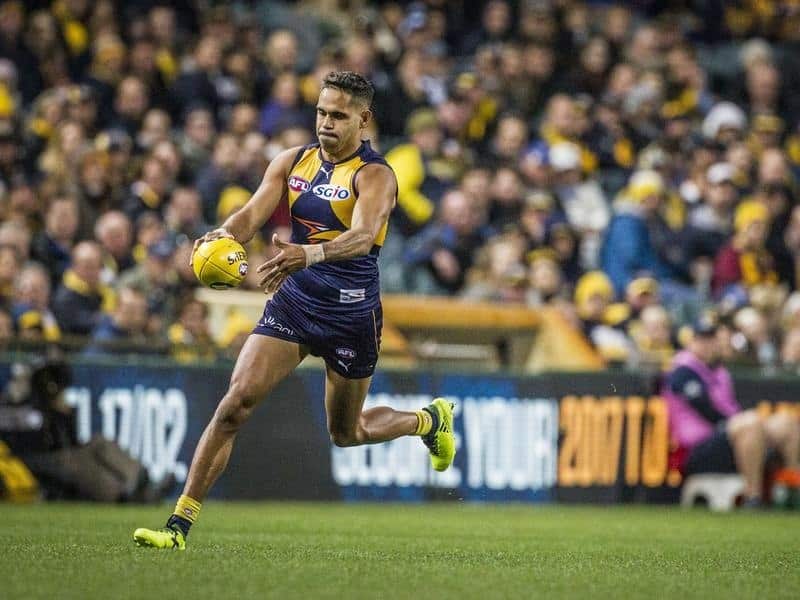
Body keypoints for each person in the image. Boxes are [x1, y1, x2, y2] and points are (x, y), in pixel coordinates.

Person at [133, 72, 456, 550]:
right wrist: (223, 234)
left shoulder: (375, 175)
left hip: (351, 315)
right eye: (321, 112)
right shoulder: (291, 161)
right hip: (296, 302)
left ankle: (428, 421)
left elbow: (363, 236)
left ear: (363, 120)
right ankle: (178, 527)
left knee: (347, 432)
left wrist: (308, 253)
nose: (326, 123)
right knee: (235, 404)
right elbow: (251, 214)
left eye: (338, 115)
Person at [662, 316, 800, 507]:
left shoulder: (719, 371)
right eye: (702, 339)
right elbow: (709, 413)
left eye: (712, 339)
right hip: (696, 449)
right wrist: (744, 423)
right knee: (750, 423)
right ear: (692, 342)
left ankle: (791, 490)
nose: (708, 345)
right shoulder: (683, 371)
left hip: (727, 437)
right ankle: (753, 496)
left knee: (786, 422)